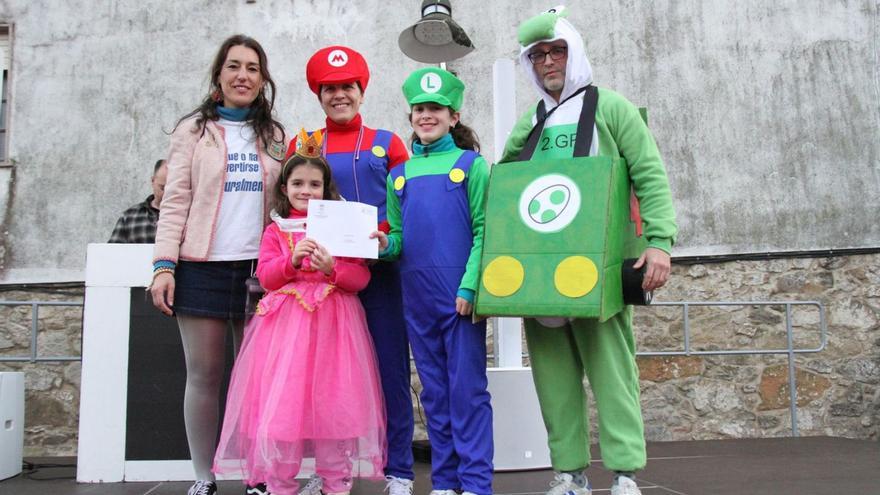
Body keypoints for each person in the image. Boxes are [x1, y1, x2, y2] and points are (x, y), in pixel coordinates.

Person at [498, 7, 678, 495]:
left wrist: (659, 242)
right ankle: (569, 473)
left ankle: (624, 473)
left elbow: (649, 173)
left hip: (598, 266)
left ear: (573, 53)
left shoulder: (611, 108)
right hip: (541, 273)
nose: (548, 62)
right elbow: (506, 190)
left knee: (612, 371)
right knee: (553, 379)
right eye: (537, 56)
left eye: (556, 51)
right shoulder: (528, 124)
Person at [149, 34, 288, 495]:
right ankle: (204, 478)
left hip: (259, 271)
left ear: (263, 79)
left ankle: (256, 476)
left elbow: (287, 202)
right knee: (204, 376)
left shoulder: (275, 135)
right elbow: (175, 201)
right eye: (234, 66)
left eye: (252, 67)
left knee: (257, 380)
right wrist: (164, 265)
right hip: (201, 267)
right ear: (219, 75)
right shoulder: (193, 131)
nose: (242, 75)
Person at [213, 133, 386, 495]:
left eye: (314, 184)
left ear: (326, 188)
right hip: (285, 332)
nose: (306, 191)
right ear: (285, 186)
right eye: (298, 183)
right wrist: (290, 262)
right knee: (283, 412)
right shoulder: (277, 230)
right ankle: (281, 485)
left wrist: (332, 269)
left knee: (333, 409)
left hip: (334, 330)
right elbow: (266, 276)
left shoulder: (342, 225)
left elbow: (360, 278)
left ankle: (336, 484)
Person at [291, 45, 414, 495]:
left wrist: (378, 238)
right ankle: (328, 471)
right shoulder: (304, 145)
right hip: (324, 279)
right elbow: (292, 208)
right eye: (330, 88)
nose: (339, 95)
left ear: (361, 92)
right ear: (319, 95)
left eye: (347, 87)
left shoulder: (388, 143)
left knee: (390, 371)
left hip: (380, 274)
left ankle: (398, 469)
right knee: (325, 378)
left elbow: (406, 209)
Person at [373, 67, 493, 495]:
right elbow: (401, 239)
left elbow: (484, 230)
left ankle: (477, 483)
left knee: (468, 393)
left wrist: (470, 287)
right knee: (436, 396)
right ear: (411, 117)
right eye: (419, 109)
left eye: (435, 109)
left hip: (459, 302)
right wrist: (382, 243)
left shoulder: (472, 166)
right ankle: (444, 481)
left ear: (453, 116)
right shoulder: (397, 176)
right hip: (417, 302)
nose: (427, 116)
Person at [108, 159, 167, 243]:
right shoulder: (130, 216)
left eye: (173, 189)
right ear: (153, 181)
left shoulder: (188, 216)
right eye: (162, 188)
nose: (167, 193)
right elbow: (111, 253)